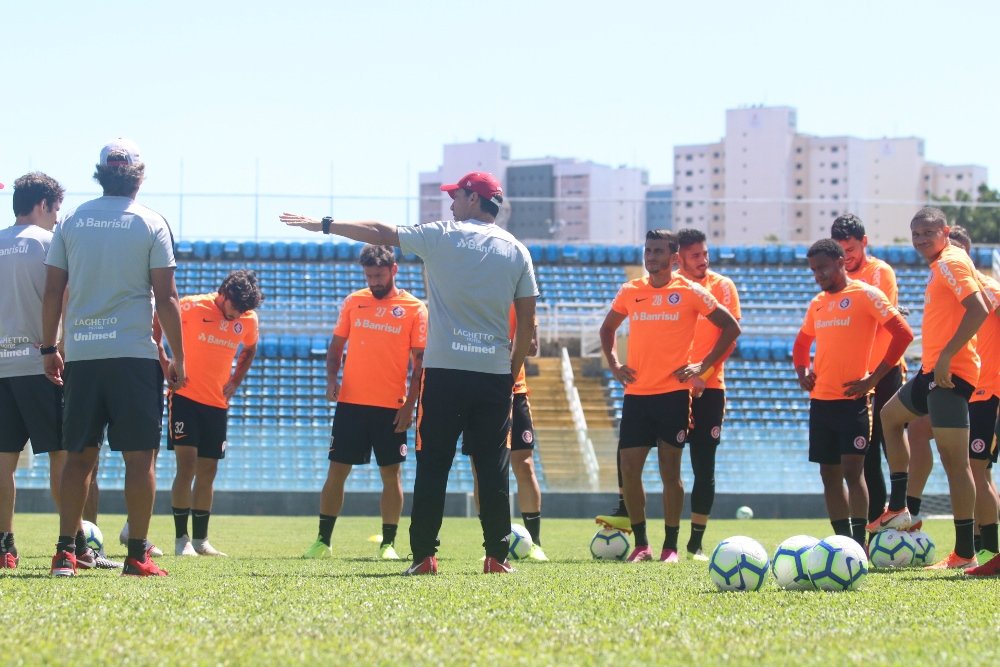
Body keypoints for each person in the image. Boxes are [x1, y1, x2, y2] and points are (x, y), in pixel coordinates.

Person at [281, 171, 537, 575]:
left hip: (445, 372)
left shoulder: (442, 235)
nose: (451, 203)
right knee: (492, 468)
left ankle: (424, 557)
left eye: (456, 196)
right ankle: (496, 558)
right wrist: (510, 373)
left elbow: (380, 232)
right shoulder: (518, 250)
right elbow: (527, 323)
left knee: (433, 465)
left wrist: (325, 225)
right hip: (492, 375)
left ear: (473, 198)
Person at [42, 138, 186, 577]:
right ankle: (137, 555)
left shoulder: (71, 220)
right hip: (133, 356)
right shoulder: (151, 222)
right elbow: (167, 297)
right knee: (140, 460)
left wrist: (50, 347)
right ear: (139, 176)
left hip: (83, 354)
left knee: (79, 456)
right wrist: (177, 356)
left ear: (100, 173)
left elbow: (53, 290)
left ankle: (66, 552)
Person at [598, 229, 740, 563]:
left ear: (674, 258)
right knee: (630, 469)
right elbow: (607, 329)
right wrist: (615, 364)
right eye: (648, 250)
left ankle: (671, 546)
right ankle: (642, 544)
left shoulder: (689, 291)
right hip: (636, 394)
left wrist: (702, 367)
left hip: (674, 395)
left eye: (659, 251)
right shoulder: (630, 290)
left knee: (670, 473)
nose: (651, 257)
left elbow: (731, 327)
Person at [867, 207, 990, 570]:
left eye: (927, 232)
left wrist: (950, 356)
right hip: (931, 372)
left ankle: (965, 552)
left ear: (945, 232)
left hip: (950, 375)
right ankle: (900, 505)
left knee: (957, 464)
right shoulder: (940, 265)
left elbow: (979, 308)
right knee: (890, 416)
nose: (920, 239)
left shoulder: (952, 261)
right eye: (915, 233)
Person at [302, 245, 426, 561]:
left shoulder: (413, 308)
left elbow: (420, 364)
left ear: (394, 270)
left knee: (391, 475)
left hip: (391, 407)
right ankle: (322, 541)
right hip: (351, 405)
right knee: (337, 471)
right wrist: (332, 381)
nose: (374, 281)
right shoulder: (354, 302)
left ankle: (388, 544)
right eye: (369, 275)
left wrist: (410, 406)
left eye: (379, 275)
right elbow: (335, 349)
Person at [792, 240, 913, 548]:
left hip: (855, 401)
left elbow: (903, 334)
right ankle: (841, 543)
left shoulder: (865, 295)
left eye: (823, 267)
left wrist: (873, 377)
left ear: (841, 261)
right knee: (828, 474)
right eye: (813, 270)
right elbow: (801, 344)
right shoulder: (817, 303)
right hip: (821, 402)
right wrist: (802, 373)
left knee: (852, 471)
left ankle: (858, 544)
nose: (817, 274)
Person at [163, 270, 262, 557]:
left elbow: (250, 349)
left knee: (209, 470)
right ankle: (180, 539)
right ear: (224, 294)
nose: (238, 315)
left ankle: (200, 540)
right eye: (235, 307)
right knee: (187, 466)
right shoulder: (192, 306)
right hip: (185, 398)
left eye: (244, 310)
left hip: (217, 404)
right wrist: (166, 363)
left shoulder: (247, 318)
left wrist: (236, 381)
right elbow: (157, 328)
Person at [0, 173, 67, 569]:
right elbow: (65, 301)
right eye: (56, 209)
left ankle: (5, 545)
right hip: (42, 365)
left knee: (3, 460)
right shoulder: (51, 245)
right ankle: (69, 544)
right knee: (61, 454)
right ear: (42, 204)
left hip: (1, 366)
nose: (58, 218)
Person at [830, 214, 907, 542]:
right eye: (841, 250)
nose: (847, 255)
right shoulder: (836, 277)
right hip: (855, 376)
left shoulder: (880, 271)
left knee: (888, 440)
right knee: (866, 451)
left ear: (864, 242)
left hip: (885, 371)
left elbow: (878, 319)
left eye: (851, 248)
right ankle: (876, 519)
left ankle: (902, 506)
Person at [675, 227, 741, 560]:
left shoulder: (722, 286)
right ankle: (658, 540)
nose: (704, 261)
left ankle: (695, 542)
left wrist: (705, 373)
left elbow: (729, 337)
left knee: (704, 466)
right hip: (671, 389)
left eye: (705, 253)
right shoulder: (670, 286)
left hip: (710, 389)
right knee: (665, 464)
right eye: (696, 256)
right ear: (680, 259)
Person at [468, 306, 547, 561]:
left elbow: (532, 348)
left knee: (524, 466)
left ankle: (535, 543)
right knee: (481, 470)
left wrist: (529, 333)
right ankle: (490, 543)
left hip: (514, 389)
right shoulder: (470, 294)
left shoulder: (517, 300)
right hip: (476, 390)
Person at [943, 227, 1000, 577]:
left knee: (978, 469)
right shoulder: (954, 296)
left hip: (989, 393)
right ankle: (981, 545)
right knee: (975, 469)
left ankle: (990, 549)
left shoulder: (990, 290)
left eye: (957, 250)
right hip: (970, 390)